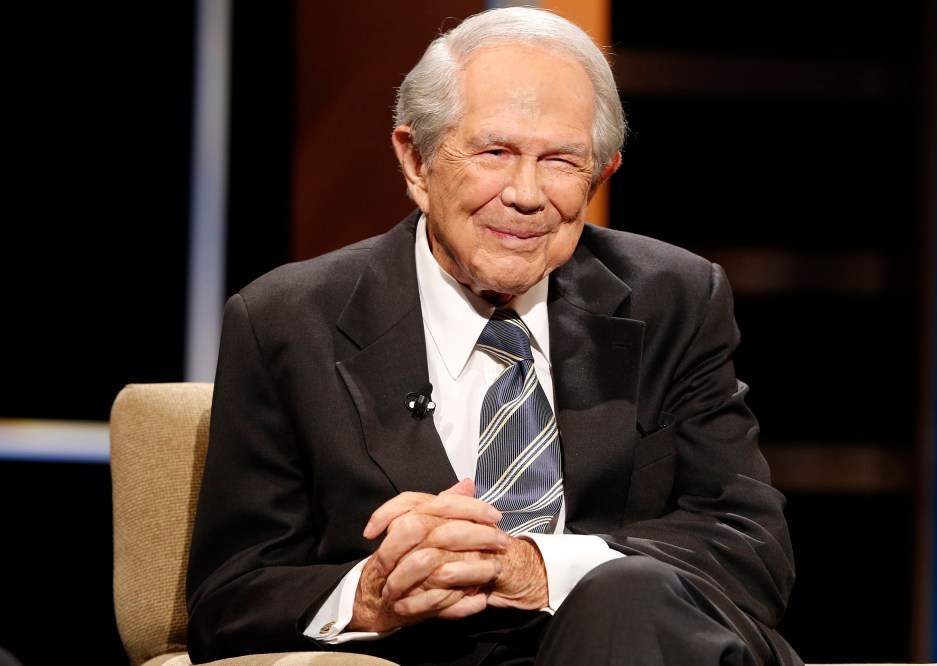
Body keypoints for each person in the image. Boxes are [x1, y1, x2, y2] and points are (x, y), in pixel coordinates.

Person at [185, 6, 803, 665]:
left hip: (650, 646)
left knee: (628, 596)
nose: (526, 194)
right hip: (438, 655)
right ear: (416, 161)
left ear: (601, 176)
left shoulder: (673, 298)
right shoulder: (288, 321)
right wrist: (373, 593)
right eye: (495, 153)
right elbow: (229, 600)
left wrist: (533, 565)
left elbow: (751, 549)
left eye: (562, 161)